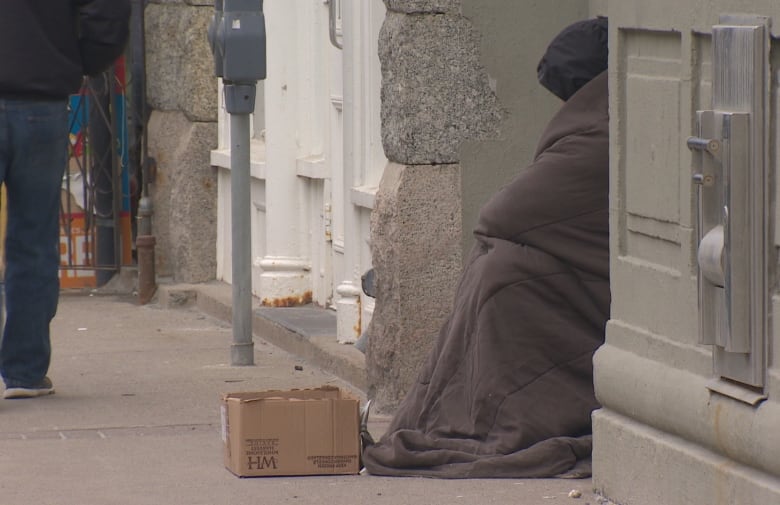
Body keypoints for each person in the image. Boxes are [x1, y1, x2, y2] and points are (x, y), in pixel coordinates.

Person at [362, 17, 610, 478]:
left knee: (498, 274)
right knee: (493, 268)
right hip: (592, 281)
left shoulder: (599, 134)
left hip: (604, 297)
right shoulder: (598, 126)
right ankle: (450, 414)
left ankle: (478, 420)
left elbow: (502, 214)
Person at [0, 1, 131, 399]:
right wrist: (74, 60)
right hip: (39, 97)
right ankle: (23, 372)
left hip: (40, 90)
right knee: (33, 240)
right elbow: (107, 15)